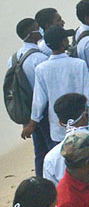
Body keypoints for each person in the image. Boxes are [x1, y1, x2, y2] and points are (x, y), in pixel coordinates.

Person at [23, 27, 89, 148]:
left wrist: (32, 123)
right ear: (63, 42)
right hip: (82, 122)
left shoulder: (41, 69)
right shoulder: (78, 64)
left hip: (59, 126)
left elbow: (39, 100)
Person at [10, 19, 51, 177]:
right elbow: (44, 89)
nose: (39, 30)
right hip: (44, 109)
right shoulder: (39, 59)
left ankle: (40, 182)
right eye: (36, 29)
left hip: (28, 110)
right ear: (31, 34)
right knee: (52, 148)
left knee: (40, 151)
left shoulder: (14, 58)